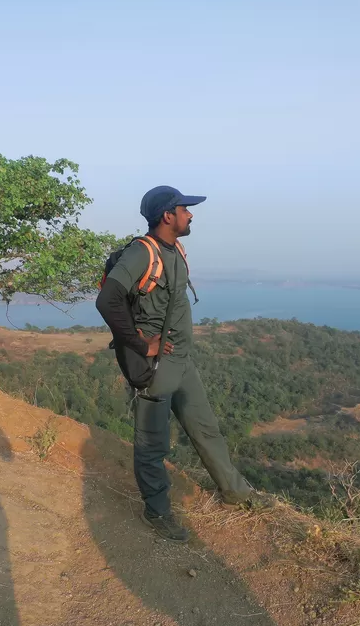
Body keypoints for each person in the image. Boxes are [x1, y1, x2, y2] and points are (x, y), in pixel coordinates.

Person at [95, 185, 266, 542]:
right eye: (185, 209)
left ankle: (236, 493)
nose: (191, 214)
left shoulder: (174, 251)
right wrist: (141, 344)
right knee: (153, 444)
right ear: (167, 215)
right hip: (156, 368)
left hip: (181, 362)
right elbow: (108, 299)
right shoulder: (143, 253)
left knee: (206, 428)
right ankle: (157, 512)